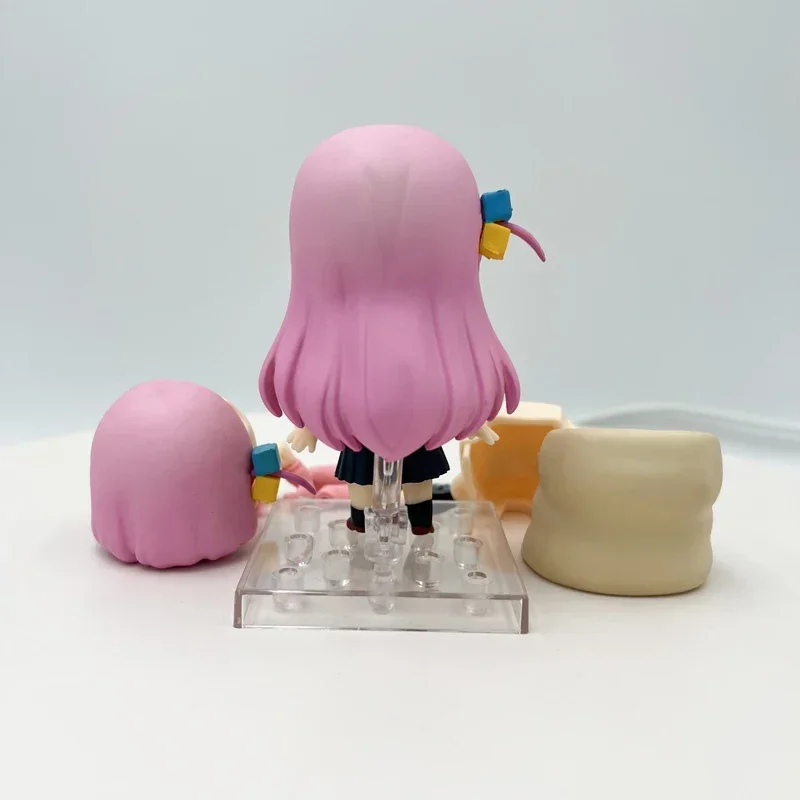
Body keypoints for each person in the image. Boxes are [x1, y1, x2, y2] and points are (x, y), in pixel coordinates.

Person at [259, 125, 544, 535]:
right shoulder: (336, 367)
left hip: (418, 430)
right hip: (365, 436)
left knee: (416, 482)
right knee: (362, 482)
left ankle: (417, 522)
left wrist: (474, 414)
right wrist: (308, 425)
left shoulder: (439, 357)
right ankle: (361, 520)